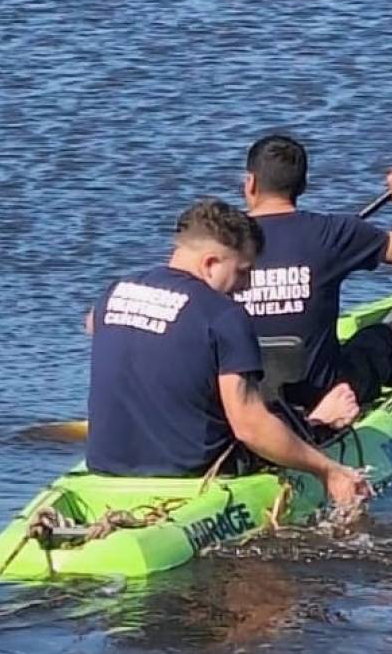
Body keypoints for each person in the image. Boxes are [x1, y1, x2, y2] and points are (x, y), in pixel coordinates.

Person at [86, 198, 371, 507]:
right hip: (194, 476)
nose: (246, 286)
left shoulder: (115, 293)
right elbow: (249, 427)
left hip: (107, 469)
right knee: (269, 408)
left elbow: (92, 324)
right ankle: (319, 422)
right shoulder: (224, 315)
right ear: (210, 264)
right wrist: (329, 470)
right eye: (243, 271)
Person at [237, 135, 392, 430]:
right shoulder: (334, 234)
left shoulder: (220, 243)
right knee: (378, 338)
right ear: (303, 187)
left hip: (243, 395)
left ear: (251, 184)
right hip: (324, 394)